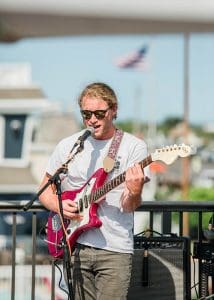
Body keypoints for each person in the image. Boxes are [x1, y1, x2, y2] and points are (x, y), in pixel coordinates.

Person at [39, 82, 149, 300]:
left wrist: (135, 191)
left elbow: (129, 205)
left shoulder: (133, 147)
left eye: (99, 113)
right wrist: (58, 206)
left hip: (114, 248)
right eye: (86, 114)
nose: (92, 119)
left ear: (114, 110)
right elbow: (44, 190)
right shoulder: (70, 145)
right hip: (76, 246)